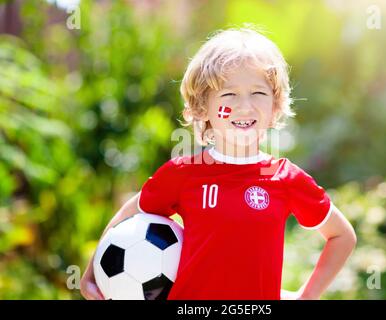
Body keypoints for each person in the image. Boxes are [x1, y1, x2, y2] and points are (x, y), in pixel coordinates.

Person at [80, 27, 357, 300]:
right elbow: (128, 215)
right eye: (229, 94)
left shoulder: (286, 179)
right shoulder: (182, 174)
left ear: (275, 106)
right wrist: (92, 274)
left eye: (258, 93)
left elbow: (342, 236)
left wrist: (306, 296)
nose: (245, 106)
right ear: (203, 107)